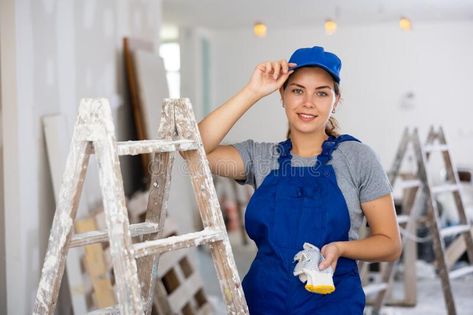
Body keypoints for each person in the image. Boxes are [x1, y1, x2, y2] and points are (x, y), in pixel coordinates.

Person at [198, 46, 401, 314]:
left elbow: (390, 243)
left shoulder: (357, 158)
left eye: (321, 93)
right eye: (297, 90)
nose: (308, 102)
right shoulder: (262, 158)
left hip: (332, 302)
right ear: (282, 95)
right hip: (263, 301)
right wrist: (253, 91)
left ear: (335, 100)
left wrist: (341, 248)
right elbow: (194, 148)